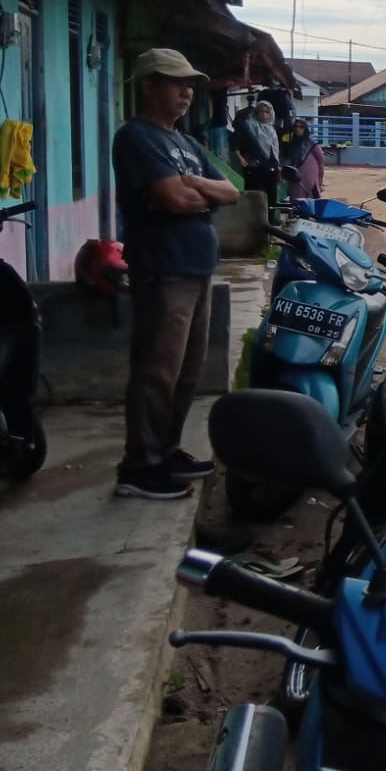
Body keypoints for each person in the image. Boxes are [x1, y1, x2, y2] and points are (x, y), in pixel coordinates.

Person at [111, 48, 240, 498]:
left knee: (186, 372)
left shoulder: (184, 143)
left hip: (196, 267)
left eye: (189, 83)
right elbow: (175, 200)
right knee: (156, 371)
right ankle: (140, 468)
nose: (186, 91)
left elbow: (232, 191)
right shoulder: (137, 137)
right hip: (163, 269)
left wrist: (196, 185)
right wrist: (197, 194)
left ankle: (166, 450)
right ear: (149, 86)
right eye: (174, 82)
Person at [235, 99, 280, 199]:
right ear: (255, 113)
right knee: (254, 201)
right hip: (254, 169)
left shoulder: (272, 130)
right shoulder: (248, 127)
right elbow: (237, 143)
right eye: (260, 112)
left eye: (266, 112)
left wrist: (278, 169)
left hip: (270, 171)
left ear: (271, 113)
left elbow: (275, 152)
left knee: (270, 201)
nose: (263, 115)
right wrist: (240, 157)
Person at [283, 119, 325, 199]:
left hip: (311, 178)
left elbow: (321, 159)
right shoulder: (291, 143)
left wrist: (321, 179)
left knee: (313, 202)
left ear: (305, 129)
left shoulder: (311, 143)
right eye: (295, 127)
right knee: (297, 201)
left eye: (301, 127)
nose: (298, 129)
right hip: (296, 177)